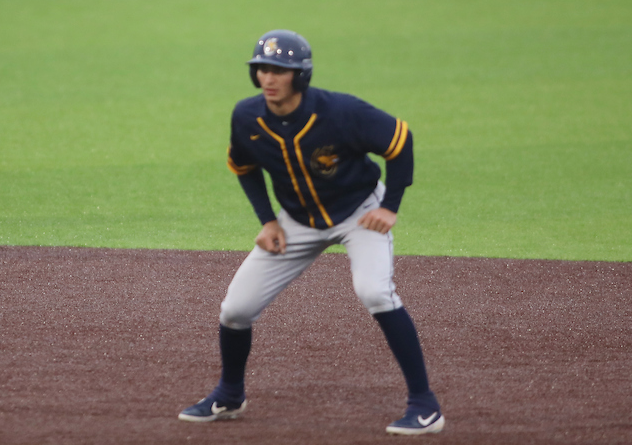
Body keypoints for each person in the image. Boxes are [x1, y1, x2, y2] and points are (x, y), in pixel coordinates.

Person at [178, 30, 444, 436]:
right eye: (262, 70)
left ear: (299, 76)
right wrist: (267, 221)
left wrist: (390, 206)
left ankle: (425, 406)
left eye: (279, 71)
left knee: (374, 291)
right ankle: (229, 394)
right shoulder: (247, 117)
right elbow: (243, 165)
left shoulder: (340, 112)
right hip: (298, 222)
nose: (269, 78)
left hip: (360, 213)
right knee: (235, 309)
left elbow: (400, 140)